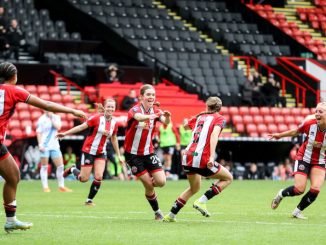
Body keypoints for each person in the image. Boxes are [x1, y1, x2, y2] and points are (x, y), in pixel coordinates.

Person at [0, 62, 86, 232]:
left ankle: (11, 220)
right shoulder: (13, 90)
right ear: (15, 76)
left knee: (13, 176)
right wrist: (73, 111)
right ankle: (10, 220)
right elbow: (46, 105)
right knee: (13, 177)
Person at [163, 97, 233, 222]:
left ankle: (171, 215)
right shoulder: (219, 119)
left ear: (207, 106)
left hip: (187, 156)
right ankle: (202, 201)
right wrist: (212, 156)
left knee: (194, 188)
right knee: (228, 178)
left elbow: (185, 127)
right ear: (219, 108)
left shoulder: (200, 117)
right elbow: (214, 135)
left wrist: (198, 115)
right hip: (202, 158)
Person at [58, 99, 123, 206]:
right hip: (89, 150)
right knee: (84, 179)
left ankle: (89, 200)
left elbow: (114, 138)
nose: (110, 109)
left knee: (99, 176)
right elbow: (81, 127)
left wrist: (119, 155)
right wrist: (65, 133)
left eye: (113, 107)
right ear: (105, 107)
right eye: (109, 106)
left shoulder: (115, 122)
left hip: (101, 152)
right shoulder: (96, 118)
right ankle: (73, 169)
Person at [269, 102, 326, 219]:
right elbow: (295, 131)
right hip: (303, 158)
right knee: (299, 189)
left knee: (315, 189)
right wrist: (279, 135)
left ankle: (297, 211)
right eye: (316, 111)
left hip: (319, 161)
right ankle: (281, 194)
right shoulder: (310, 124)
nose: (317, 114)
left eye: (321, 112)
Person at [124, 84, 171, 220]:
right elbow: (138, 117)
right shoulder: (135, 109)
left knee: (161, 182)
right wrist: (154, 115)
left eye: (153, 95)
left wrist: (166, 116)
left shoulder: (156, 111)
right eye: (148, 94)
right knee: (148, 185)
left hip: (148, 152)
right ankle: (157, 211)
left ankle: (151, 181)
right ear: (141, 97)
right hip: (133, 155)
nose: (151, 97)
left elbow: (165, 122)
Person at [36, 111, 72, 192]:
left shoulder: (56, 117)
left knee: (60, 166)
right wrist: (40, 144)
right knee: (44, 166)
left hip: (54, 145)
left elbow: (58, 127)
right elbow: (39, 132)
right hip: (44, 145)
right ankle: (45, 187)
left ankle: (61, 186)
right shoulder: (41, 119)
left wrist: (51, 118)